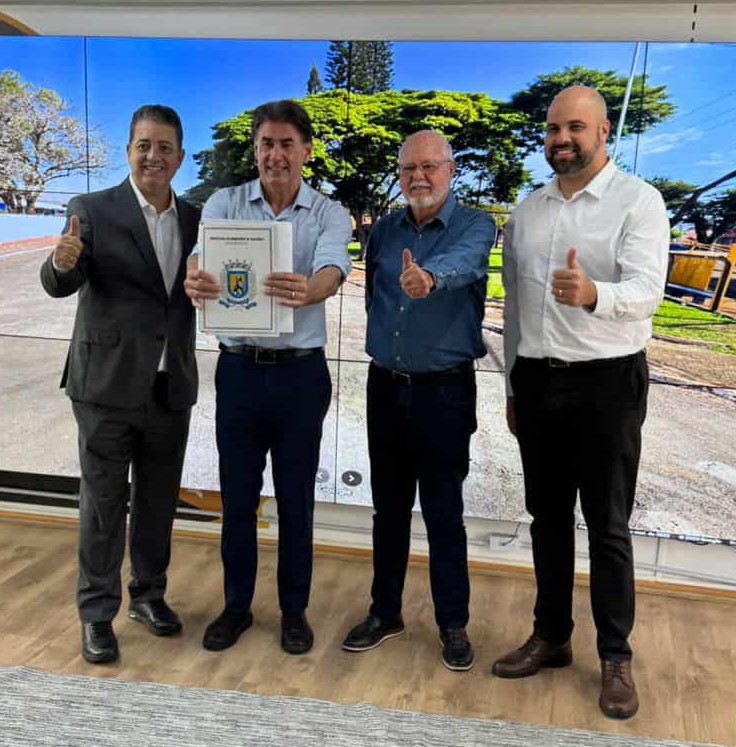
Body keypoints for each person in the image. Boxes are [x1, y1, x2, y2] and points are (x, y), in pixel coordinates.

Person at [495, 86, 670, 719]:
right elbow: (515, 308)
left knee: (608, 526)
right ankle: (552, 637)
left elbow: (649, 290)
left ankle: (616, 656)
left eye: (575, 127)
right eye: (553, 129)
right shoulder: (528, 211)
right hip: (538, 381)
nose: (561, 138)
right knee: (546, 519)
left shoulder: (638, 202)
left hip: (608, 384)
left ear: (602, 134)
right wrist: (512, 385)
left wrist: (595, 293)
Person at [184, 100, 351, 656]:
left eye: (286, 144)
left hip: (300, 376)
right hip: (238, 371)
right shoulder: (225, 203)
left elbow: (333, 268)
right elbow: (198, 259)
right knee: (237, 498)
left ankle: (294, 612)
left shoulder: (327, 211)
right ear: (255, 150)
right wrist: (193, 278)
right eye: (266, 144)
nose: (275, 155)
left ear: (306, 150)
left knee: (297, 499)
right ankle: (235, 608)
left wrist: (311, 289)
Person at [40, 105, 201, 664]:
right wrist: (60, 263)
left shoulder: (196, 219)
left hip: (169, 385)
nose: (154, 156)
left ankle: (148, 596)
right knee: (103, 506)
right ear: (129, 150)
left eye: (165, 147)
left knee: (157, 503)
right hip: (105, 386)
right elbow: (61, 281)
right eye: (144, 145)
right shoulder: (91, 210)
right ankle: (96, 614)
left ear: (179, 157)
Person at [341, 131, 496, 671]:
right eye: (409, 168)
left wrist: (428, 277)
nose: (419, 177)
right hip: (385, 386)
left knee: (443, 512)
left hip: (444, 393)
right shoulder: (384, 230)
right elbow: (374, 298)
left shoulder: (476, 225)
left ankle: (453, 624)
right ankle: (385, 613)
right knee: (388, 510)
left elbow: (466, 263)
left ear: (450, 170)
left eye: (430, 166)